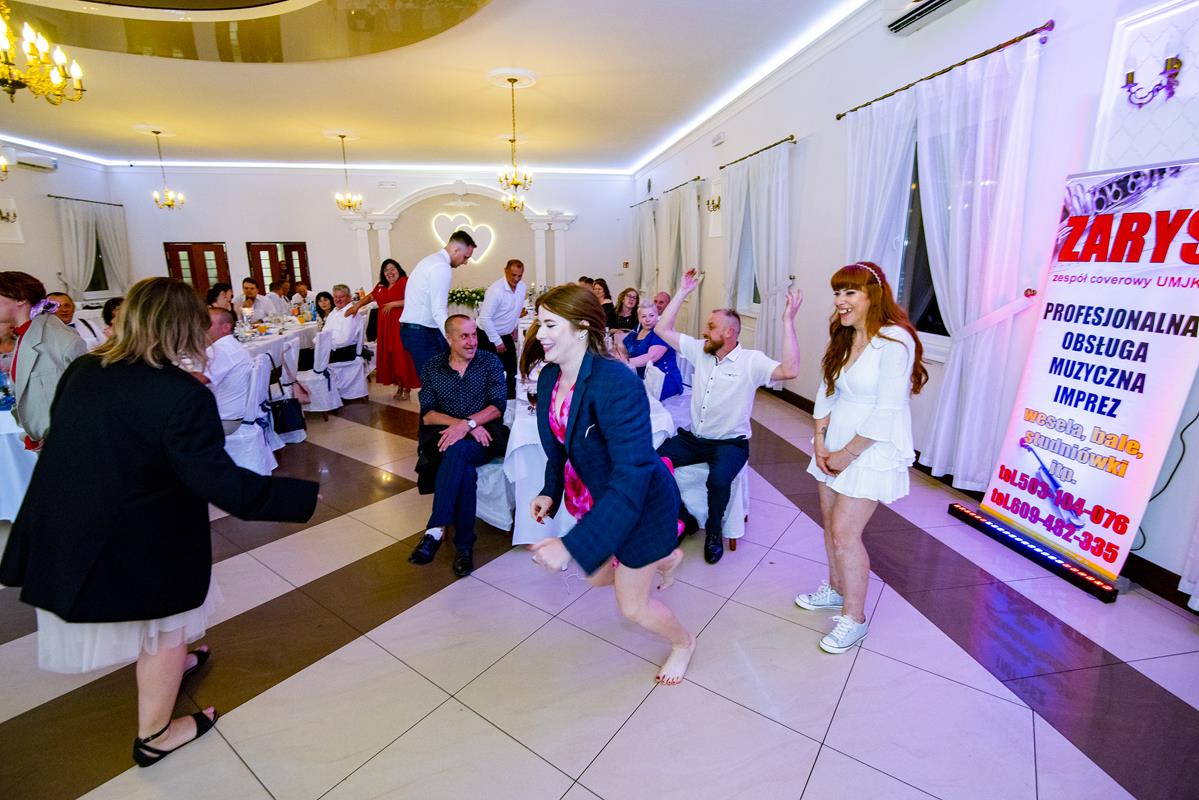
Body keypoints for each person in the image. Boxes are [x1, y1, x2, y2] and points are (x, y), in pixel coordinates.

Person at [0, 277, 319, 768]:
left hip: (72, 516)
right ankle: (155, 735)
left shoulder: (87, 369)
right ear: (184, 328)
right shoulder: (180, 393)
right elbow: (222, 484)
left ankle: (178, 665)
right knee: (166, 625)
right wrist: (303, 496)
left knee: (166, 625)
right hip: (139, 530)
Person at [522, 285, 693, 685]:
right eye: (539, 323)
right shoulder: (550, 377)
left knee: (632, 608)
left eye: (550, 324)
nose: (540, 333)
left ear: (582, 328)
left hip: (639, 503)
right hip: (598, 500)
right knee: (595, 576)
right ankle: (665, 558)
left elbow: (632, 475)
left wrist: (569, 545)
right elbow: (559, 447)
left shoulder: (616, 382)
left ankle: (683, 643)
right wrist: (550, 490)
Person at [796, 261, 926, 655]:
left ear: (873, 295)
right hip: (834, 442)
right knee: (829, 524)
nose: (840, 300)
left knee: (845, 533)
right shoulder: (845, 334)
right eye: (837, 292)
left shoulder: (894, 342)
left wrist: (847, 454)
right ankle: (836, 589)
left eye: (850, 292)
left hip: (870, 449)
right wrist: (820, 441)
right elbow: (826, 390)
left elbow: (887, 411)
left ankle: (854, 619)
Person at [654, 269, 802, 564]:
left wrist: (788, 322)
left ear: (729, 333)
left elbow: (790, 370)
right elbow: (662, 329)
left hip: (730, 443)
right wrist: (683, 291)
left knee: (718, 480)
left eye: (710, 327)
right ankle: (685, 518)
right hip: (694, 438)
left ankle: (714, 532)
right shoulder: (701, 351)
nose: (704, 331)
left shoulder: (751, 361)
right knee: (653, 463)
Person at [408, 315, 508, 578]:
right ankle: (463, 547)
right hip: (445, 436)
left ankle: (435, 529)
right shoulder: (432, 367)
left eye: (474, 335)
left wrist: (469, 425)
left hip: (485, 437)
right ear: (449, 338)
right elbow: (428, 414)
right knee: (463, 466)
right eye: (464, 336)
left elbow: (498, 406)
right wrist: (463, 425)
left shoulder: (489, 362)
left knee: (458, 451)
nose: (472, 341)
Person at [0, 272, 88, 451]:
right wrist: (32, 434)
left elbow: (86, 397)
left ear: (20, 299)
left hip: (71, 444)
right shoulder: (24, 336)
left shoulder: (63, 340)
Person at [400, 230, 477, 378]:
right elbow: (438, 311)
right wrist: (453, 339)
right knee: (437, 383)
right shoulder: (441, 267)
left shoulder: (431, 261)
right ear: (455, 250)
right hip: (422, 333)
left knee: (438, 382)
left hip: (415, 331)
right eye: (465, 257)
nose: (465, 262)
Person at [348, 260, 419, 400]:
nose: (390, 272)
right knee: (391, 356)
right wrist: (356, 306)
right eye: (386, 270)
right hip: (385, 327)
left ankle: (407, 387)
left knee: (401, 355)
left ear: (398, 269)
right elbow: (370, 297)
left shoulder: (405, 281)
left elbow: (415, 300)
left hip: (400, 325)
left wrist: (393, 304)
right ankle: (399, 385)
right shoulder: (381, 285)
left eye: (393, 269)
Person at [477, 258, 526, 399]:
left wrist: (514, 328)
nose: (516, 279)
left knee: (511, 371)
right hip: (488, 336)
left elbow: (516, 311)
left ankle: (510, 403)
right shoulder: (496, 290)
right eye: (513, 275)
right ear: (505, 271)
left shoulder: (522, 287)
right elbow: (485, 318)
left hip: (505, 335)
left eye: (520, 275)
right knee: (491, 373)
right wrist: (497, 341)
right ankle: (490, 403)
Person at [203, 306, 252, 435]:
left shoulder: (221, 349)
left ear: (226, 327)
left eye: (207, 324)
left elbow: (199, 381)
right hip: (237, 413)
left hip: (224, 420)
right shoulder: (231, 345)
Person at [620, 300, 682, 400]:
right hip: (642, 378)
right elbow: (623, 346)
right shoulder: (638, 329)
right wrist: (621, 356)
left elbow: (651, 357)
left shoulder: (661, 331)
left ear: (657, 315)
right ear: (639, 317)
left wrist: (625, 362)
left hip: (663, 381)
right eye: (644, 316)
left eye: (651, 315)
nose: (647, 320)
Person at [324, 284, 364, 363]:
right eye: (335, 297)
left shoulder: (350, 313)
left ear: (349, 297)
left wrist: (325, 343)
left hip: (345, 353)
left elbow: (344, 340)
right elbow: (324, 332)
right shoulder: (333, 312)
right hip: (332, 350)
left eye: (341, 297)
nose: (338, 300)